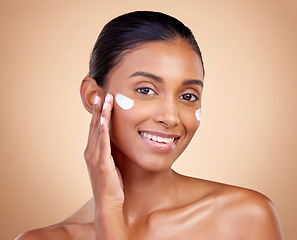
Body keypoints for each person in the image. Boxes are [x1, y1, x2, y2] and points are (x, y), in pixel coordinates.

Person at [16, 11, 284, 240]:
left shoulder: (243, 218)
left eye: (188, 96)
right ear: (93, 96)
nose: (171, 117)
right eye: (145, 90)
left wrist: (108, 210)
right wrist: (108, 209)